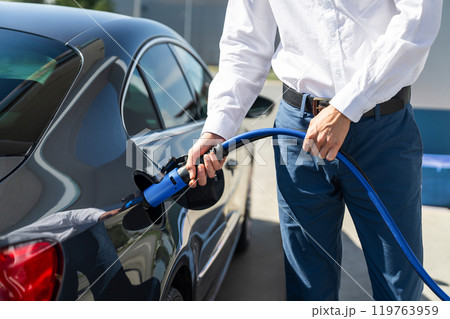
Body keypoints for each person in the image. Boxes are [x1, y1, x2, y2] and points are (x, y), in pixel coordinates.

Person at [186, 1, 442, 301]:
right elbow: (244, 44)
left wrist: (347, 107)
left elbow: (417, 21)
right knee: (307, 285)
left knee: (399, 284)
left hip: (381, 128)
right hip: (298, 129)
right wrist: (217, 128)